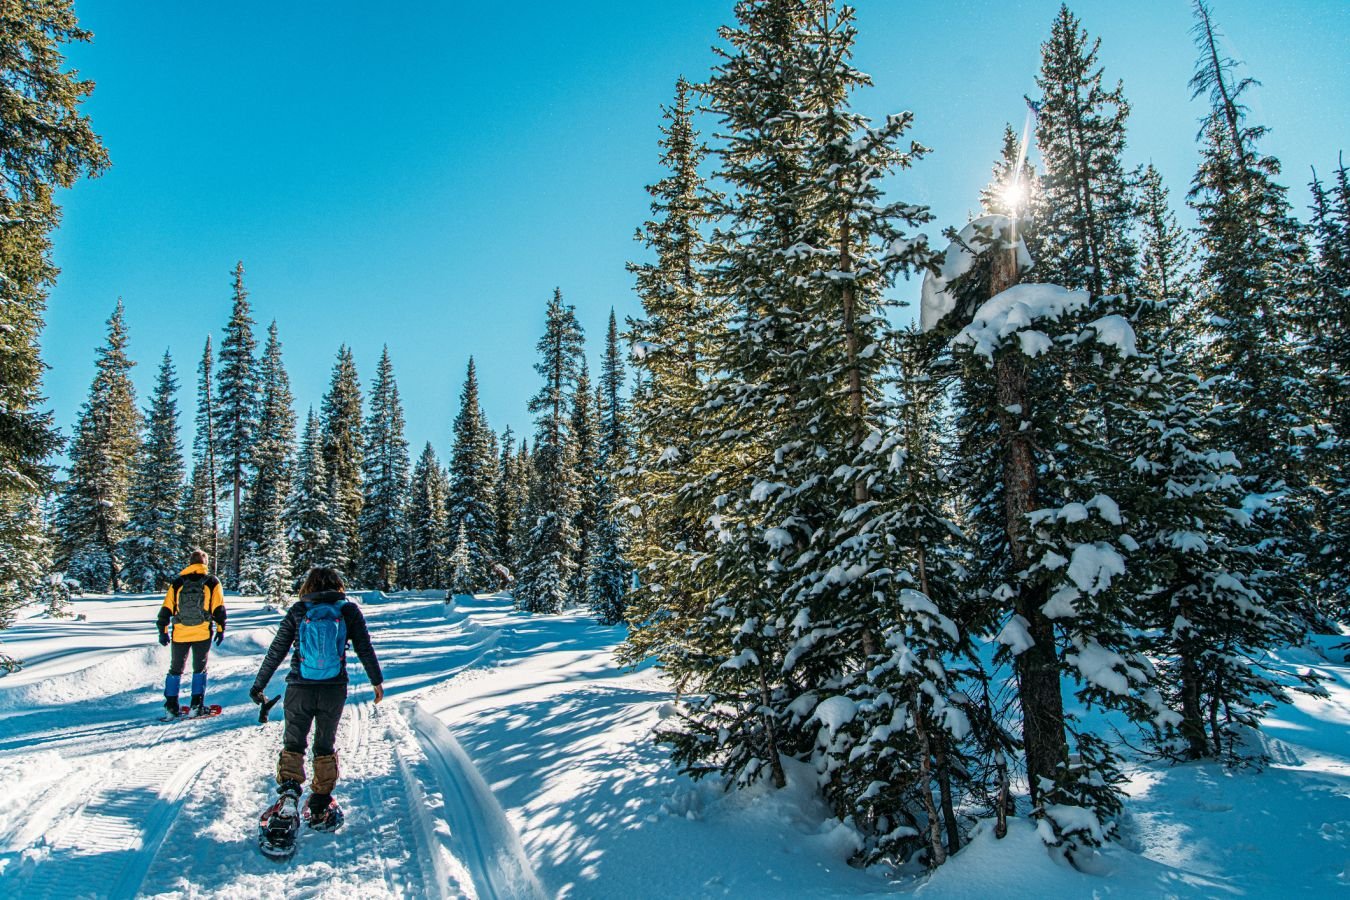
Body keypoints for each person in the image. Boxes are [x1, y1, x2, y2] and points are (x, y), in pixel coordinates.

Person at [250, 567, 384, 832]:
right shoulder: (348, 610)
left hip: (299, 688)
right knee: (325, 743)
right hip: (334, 689)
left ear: (308, 586)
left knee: (293, 742)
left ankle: (289, 796)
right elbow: (364, 647)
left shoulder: (299, 610)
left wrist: (259, 685)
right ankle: (321, 803)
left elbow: (277, 650)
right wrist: (376, 681)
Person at [156, 548, 226, 716]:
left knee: (175, 669)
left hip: (180, 632)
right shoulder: (212, 581)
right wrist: (220, 629)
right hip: (202, 632)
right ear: (205, 563)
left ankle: (171, 706)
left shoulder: (178, 582)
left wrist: (163, 631)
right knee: (199, 668)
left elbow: (167, 608)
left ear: (190, 563)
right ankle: (196, 706)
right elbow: (219, 608)